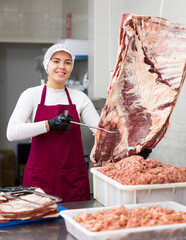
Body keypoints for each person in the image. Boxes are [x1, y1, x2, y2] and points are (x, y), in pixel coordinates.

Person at [6, 43, 100, 203]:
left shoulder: (80, 98)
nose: (62, 66)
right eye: (56, 61)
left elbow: (101, 131)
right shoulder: (31, 95)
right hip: (40, 180)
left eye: (67, 62)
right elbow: (12, 133)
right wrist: (49, 124)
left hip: (73, 179)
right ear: (47, 64)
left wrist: (133, 150)